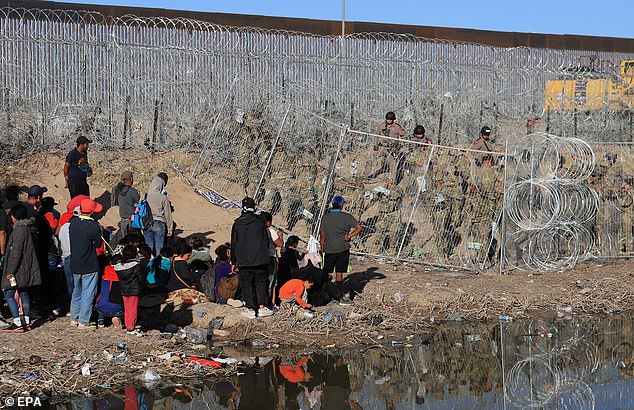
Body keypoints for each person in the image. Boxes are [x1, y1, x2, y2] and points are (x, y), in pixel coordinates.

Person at [231, 197, 274, 318]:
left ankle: (250, 308)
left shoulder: (238, 223)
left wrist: (233, 261)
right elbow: (265, 240)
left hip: (244, 260)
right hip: (260, 259)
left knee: (246, 283)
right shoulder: (259, 222)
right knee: (261, 282)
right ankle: (261, 307)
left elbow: (234, 243)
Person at [1, 205, 41, 332]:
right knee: (24, 293)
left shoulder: (18, 231)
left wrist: (10, 271)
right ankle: (26, 321)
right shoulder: (27, 229)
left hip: (18, 269)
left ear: (14, 216)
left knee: (9, 294)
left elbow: (15, 254)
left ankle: (17, 322)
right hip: (26, 268)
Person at [69, 198, 103, 329]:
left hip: (75, 263)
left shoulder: (73, 222)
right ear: (92, 212)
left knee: (77, 291)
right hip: (89, 264)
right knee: (88, 293)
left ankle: (74, 318)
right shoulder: (93, 226)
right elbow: (99, 244)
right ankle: (84, 321)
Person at [319, 196, 361, 303]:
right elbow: (359, 228)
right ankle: (340, 294)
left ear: (333, 204)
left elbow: (322, 234)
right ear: (342, 205)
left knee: (327, 272)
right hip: (342, 248)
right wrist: (350, 236)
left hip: (329, 248)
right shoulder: (347, 217)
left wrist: (322, 247)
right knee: (339, 272)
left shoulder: (325, 217)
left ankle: (325, 293)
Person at [115, 245, 145, 336]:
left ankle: (128, 325)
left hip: (124, 289)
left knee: (127, 308)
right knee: (133, 309)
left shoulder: (118, 265)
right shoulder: (136, 265)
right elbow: (141, 278)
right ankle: (131, 328)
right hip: (133, 289)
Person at [370, 111, 406, 180]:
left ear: (393, 119)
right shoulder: (382, 125)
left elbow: (404, 136)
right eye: (387, 119)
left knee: (392, 164)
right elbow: (376, 135)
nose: (388, 120)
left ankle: (391, 180)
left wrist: (400, 145)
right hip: (382, 147)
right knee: (372, 158)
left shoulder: (397, 127)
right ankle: (370, 174)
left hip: (391, 149)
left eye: (390, 119)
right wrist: (375, 144)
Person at [145, 175, 173, 256]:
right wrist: (170, 228)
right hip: (159, 223)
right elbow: (168, 214)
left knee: (148, 247)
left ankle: (149, 264)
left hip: (146, 223)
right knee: (159, 248)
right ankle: (158, 265)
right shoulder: (163, 197)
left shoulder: (145, 196)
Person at [262, 211, 283, 305]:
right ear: (268, 221)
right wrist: (280, 236)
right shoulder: (270, 231)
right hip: (270, 258)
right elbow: (280, 244)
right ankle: (271, 303)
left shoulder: (257, 230)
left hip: (260, 258)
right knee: (272, 282)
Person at [95, 261, 123, 330]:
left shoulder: (104, 276)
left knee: (101, 301)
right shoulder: (121, 277)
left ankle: (100, 321)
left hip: (102, 307)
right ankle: (117, 317)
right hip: (117, 308)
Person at [113, 170, 140, 237]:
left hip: (123, 218)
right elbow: (138, 202)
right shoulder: (133, 191)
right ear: (131, 179)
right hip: (132, 218)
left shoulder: (118, 191)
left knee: (124, 238)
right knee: (134, 238)